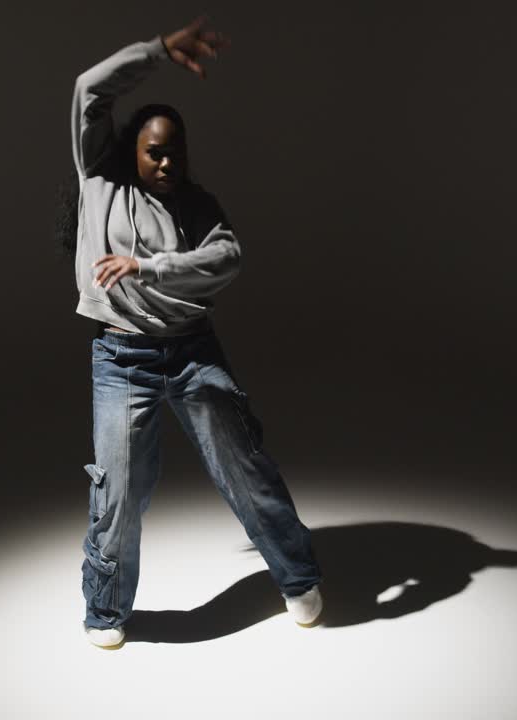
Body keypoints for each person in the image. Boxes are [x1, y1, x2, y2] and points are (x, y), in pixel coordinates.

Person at [69, 16, 323, 649]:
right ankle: (105, 611)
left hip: (191, 352)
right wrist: (156, 52)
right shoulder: (100, 179)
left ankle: (297, 576)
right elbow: (88, 89)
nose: (165, 161)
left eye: (175, 152)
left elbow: (228, 258)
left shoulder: (197, 204)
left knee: (246, 468)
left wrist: (148, 265)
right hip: (121, 357)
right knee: (119, 492)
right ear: (130, 147)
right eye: (155, 150)